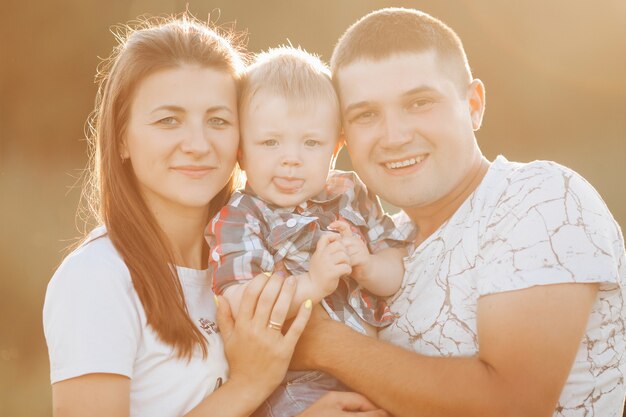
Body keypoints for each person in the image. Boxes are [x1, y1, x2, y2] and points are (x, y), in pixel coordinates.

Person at [42, 16, 388, 417]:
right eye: (168, 120)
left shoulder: (255, 255)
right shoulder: (98, 277)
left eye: (218, 121)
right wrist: (248, 385)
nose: (197, 144)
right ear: (121, 138)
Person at [290, 7, 626, 417]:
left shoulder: (539, 196)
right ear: (343, 138)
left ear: (474, 104)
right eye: (366, 114)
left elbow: (511, 403)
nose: (394, 136)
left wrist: (323, 344)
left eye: (419, 102)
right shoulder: (374, 245)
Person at [205, 46, 413, 416]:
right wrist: (312, 285)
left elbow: (395, 267)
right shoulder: (240, 218)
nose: (291, 158)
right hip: (293, 384)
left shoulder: (349, 193)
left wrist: (367, 266)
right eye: (270, 142)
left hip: (376, 366)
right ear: (241, 151)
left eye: (311, 143)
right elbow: (242, 303)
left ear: (336, 147)